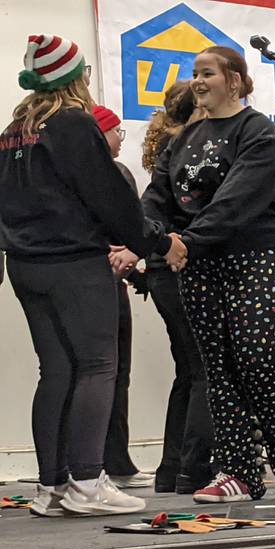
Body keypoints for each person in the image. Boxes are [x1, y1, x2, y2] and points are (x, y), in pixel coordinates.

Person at [0, 34, 185, 517]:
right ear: (72, 77)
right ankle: (87, 481)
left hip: (25, 265)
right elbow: (108, 198)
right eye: (83, 72)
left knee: (56, 370)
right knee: (99, 366)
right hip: (75, 263)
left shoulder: (14, 131)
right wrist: (157, 243)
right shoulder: (73, 124)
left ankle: (53, 486)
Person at [141, 46, 275, 503]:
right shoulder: (182, 140)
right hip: (199, 259)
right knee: (217, 368)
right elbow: (156, 198)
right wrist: (150, 240)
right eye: (194, 73)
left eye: (207, 73)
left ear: (234, 80)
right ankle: (238, 472)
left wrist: (186, 241)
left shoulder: (256, 132)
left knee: (253, 358)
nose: (198, 81)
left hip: (257, 252)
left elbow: (237, 199)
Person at [140, 81, 215, 494]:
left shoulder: (166, 150)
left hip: (160, 268)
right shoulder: (193, 151)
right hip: (184, 263)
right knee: (204, 371)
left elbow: (151, 208)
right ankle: (194, 469)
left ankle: (170, 469)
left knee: (187, 371)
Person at [87, 104, 155, 489]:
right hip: (100, 276)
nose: (120, 140)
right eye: (117, 132)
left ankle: (114, 458)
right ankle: (96, 460)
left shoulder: (121, 171)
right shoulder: (105, 175)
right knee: (103, 371)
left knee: (117, 372)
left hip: (115, 277)